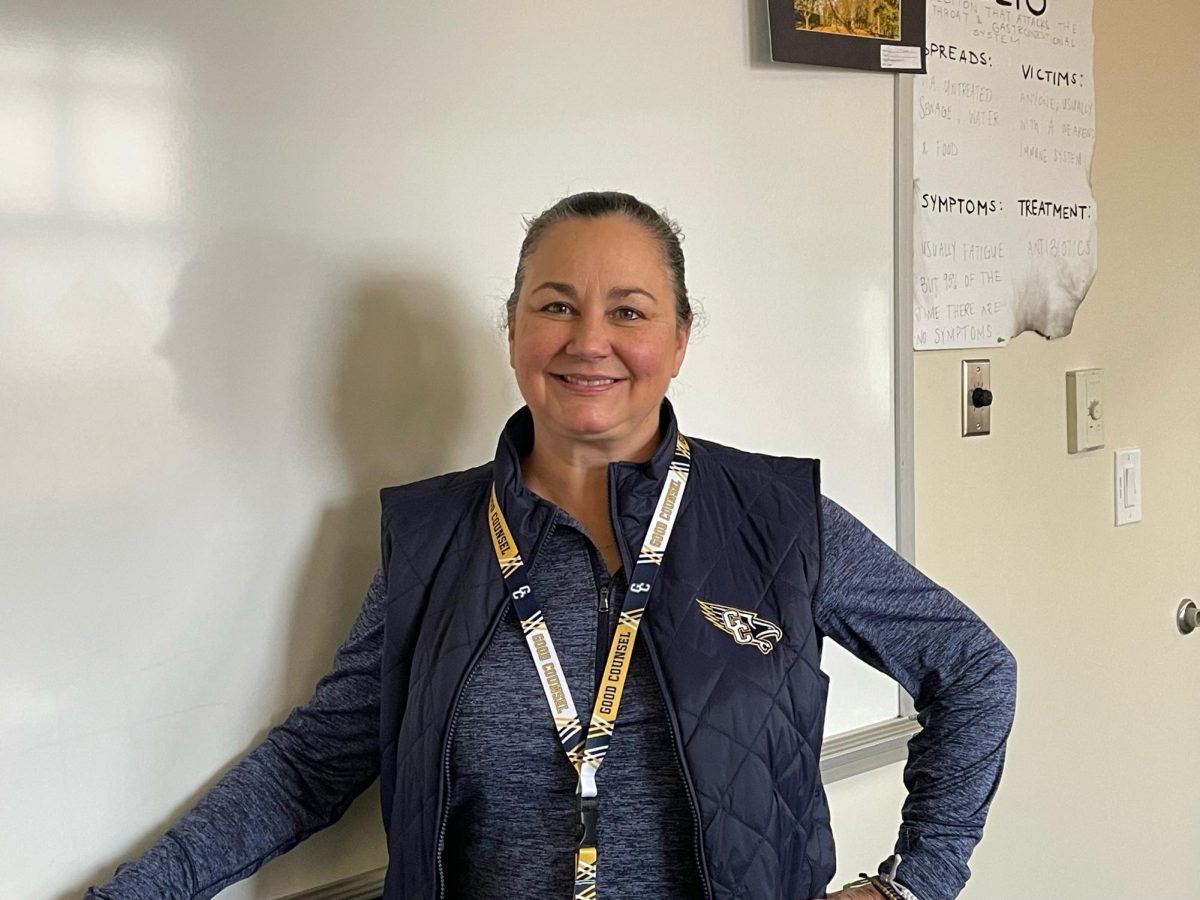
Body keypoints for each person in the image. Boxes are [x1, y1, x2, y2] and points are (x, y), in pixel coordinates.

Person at [85, 191, 1017, 900]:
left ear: (682, 338)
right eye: (557, 305)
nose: (589, 342)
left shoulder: (775, 518)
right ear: (515, 327)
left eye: (630, 311)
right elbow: (310, 764)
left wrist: (910, 884)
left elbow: (974, 667)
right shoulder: (436, 540)